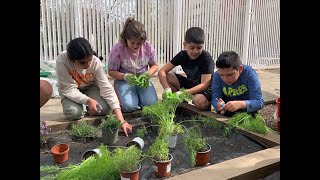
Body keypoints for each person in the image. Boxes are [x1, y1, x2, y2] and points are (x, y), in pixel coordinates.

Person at [56, 37, 132, 137]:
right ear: (72, 59)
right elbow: (68, 89)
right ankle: (81, 105)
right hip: (70, 89)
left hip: (89, 86)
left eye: (89, 60)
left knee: (105, 109)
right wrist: (88, 101)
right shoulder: (62, 60)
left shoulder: (96, 62)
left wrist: (121, 121)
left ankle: (85, 105)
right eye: (82, 62)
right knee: (74, 113)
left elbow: (107, 88)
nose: (87, 65)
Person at [108, 17, 158, 113]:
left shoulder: (148, 47)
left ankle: (138, 97)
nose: (135, 46)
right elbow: (111, 72)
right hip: (124, 80)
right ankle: (131, 97)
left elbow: (155, 66)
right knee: (128, 107)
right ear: (126, 38)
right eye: (132, 43)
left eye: (139, 43)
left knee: (152, 105)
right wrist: (125, 76)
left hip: (142, 80)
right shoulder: (118, 49)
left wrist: (148, 74)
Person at [158, 27, 215, 110]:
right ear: (184, 45)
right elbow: (162, 71)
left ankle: (206, 105)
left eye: (199, 48)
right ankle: (180, 103)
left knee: (199, 101)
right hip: (190, 84)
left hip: (205, 89)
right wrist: (167, 89)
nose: (195, 51)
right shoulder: (182, 55)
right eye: (192, 48)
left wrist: (184, 92)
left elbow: (204, 85)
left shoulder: (206, 58)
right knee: (167, 76)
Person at [211, 51, 264, 117]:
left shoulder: (250, 74)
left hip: (247, 111)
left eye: (229, 75)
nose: (225, 79)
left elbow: (259, 102)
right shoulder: (216, 76)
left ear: (240, 69)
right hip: (227, 110)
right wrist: (218, 105)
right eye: (221, 75)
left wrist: (241, 104)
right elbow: (215, 98)